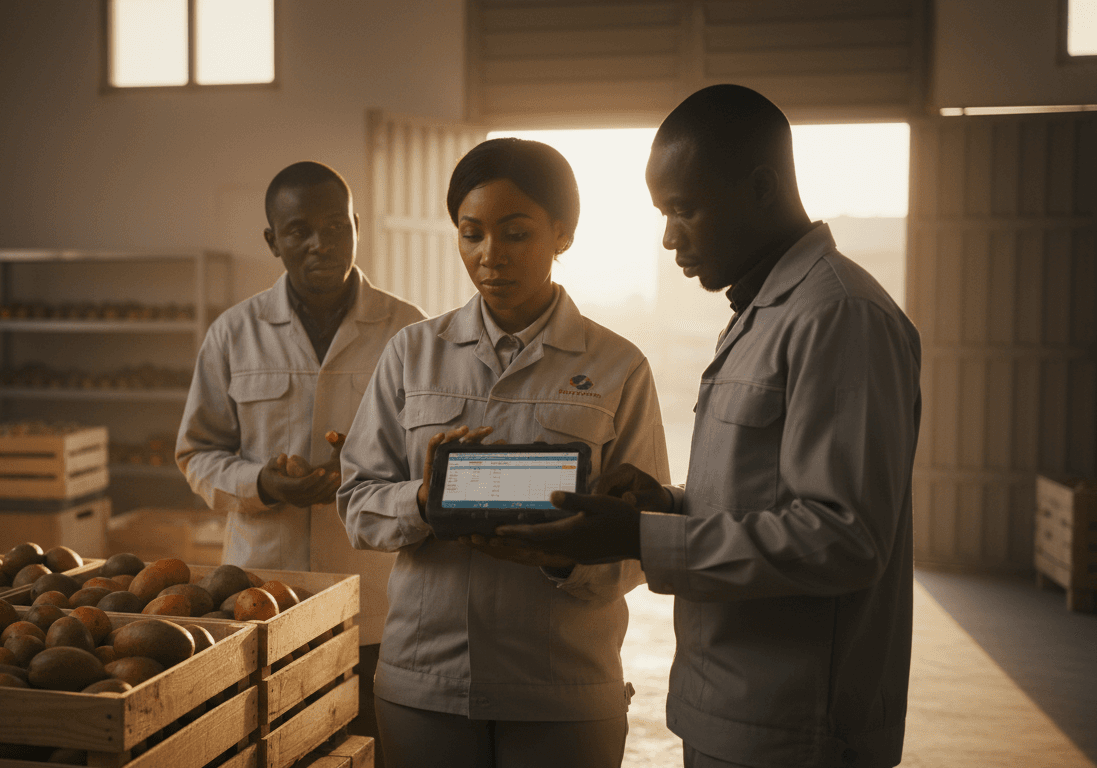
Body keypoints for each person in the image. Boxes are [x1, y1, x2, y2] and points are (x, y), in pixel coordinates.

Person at [490, 85, 922, 768]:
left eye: (683, 210)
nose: (669, 238)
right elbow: (767, 499)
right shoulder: (763, 312)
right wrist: (663, 504)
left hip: (796, 730)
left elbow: (844, 537)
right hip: (731, 706)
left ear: (761, 189)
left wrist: (639, 538)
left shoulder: (838, 316)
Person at [336, 137, 671, 768]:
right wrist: (424, 502)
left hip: (562, 685)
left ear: (562, 234)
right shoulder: (413, 353)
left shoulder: (617, 367)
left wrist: (563, 558)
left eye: (516, 233)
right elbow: (356, 502)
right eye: (472, 234)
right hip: (426, 680)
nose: (490, 255)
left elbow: (645, 538)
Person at [176, 161, 426, 756]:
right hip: (260, 592)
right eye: (299, 230)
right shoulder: (234, 333)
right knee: (271, 748)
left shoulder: (407, 330)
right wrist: (261, 482)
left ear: (357, 227)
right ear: (273, 240)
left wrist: (367, 480)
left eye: (337, 226)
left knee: (372, 745)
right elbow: (197, 452)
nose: (321, 243)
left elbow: (428, 459)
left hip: (376, 598)